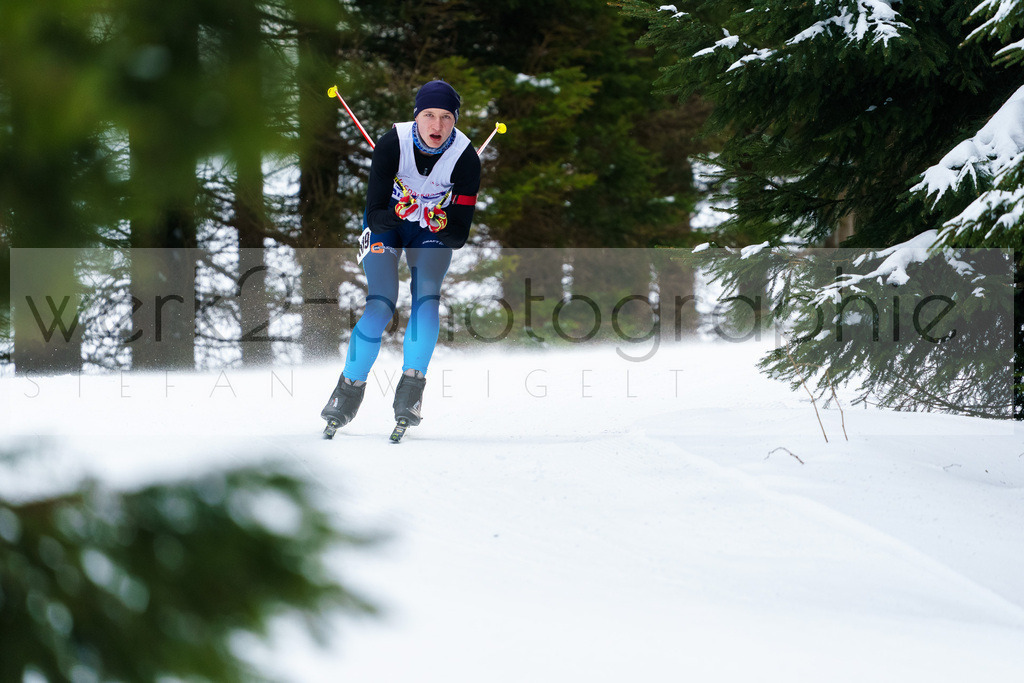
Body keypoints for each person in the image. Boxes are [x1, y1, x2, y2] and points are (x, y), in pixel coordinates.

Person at [321, 80, 482, 433]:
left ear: (455, 120)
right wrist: (400, 211)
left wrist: (440, 222)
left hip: (429, 233)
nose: (437, 125)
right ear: (416, 116)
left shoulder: (466, 158)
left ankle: (411, 392)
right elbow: (375, 214)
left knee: (427, 296)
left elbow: (458, 235)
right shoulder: (392, 143)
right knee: (381, 303)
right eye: (429, 115)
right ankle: (347, 391)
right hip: (387, 226)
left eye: (446, 117)